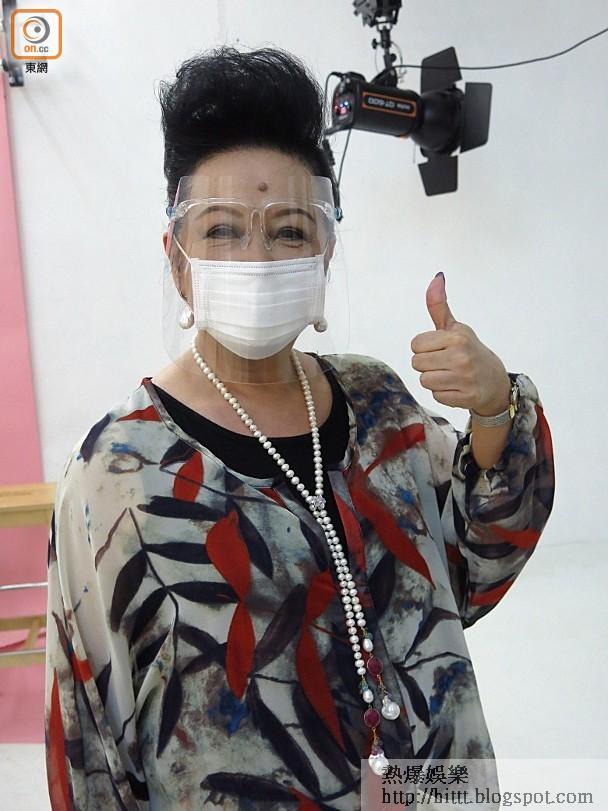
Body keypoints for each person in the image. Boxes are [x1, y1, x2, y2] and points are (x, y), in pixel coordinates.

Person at [44, 45, 555, 810]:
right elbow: (92, 741)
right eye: (222, 231)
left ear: (324, 252)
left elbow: (474, 562)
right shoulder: (117, 473)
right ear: (178, 262)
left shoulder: (375, 403)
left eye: (288, 231)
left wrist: (492, 407)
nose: (257, 257)